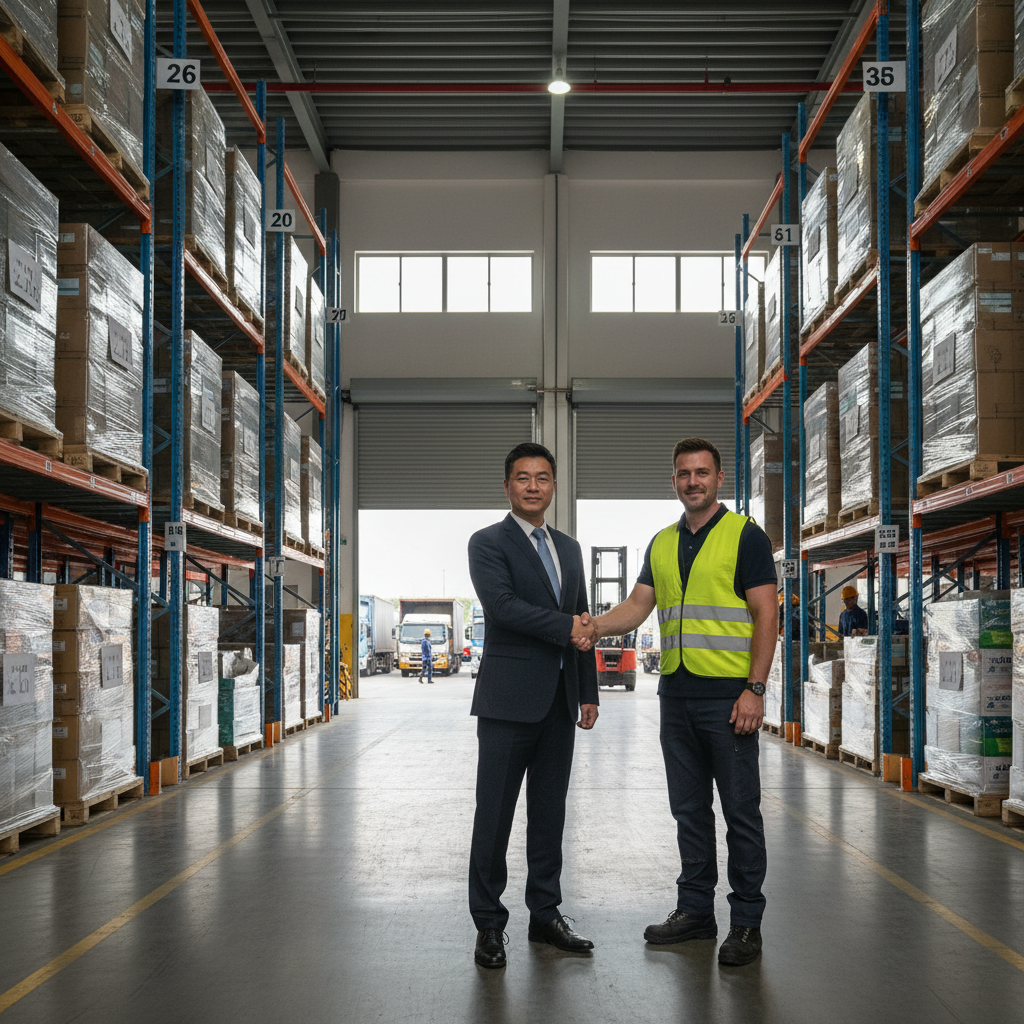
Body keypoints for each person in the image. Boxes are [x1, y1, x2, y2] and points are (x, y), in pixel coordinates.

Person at [573, 437, 777, 967]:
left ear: (719, 479)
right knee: (688, 810)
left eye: (702, 472)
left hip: (729, 700)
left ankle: (747, 923)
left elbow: (766, 614)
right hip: (677, 696)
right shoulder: (661, 542)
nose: (693, 481)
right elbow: (638, 607)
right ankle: (696, 912)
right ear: (674, 482)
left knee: (740, 813)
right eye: (684, 473)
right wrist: (594, 626)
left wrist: (755, 690)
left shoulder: (745, 537)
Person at [467, 442, 599, 969]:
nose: (532, 486)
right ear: (507, 486)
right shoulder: (487, 543)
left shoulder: (568, 548)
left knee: (549, 815)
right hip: (506, 702)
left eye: (542, 478)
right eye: (522, 478)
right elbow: (502, 608)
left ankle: (545, 915)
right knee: (494, 816)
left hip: (558, 703)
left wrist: (587, 691)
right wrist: (567, 627)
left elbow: (583, 618)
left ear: (553, 486)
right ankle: (489, 925)